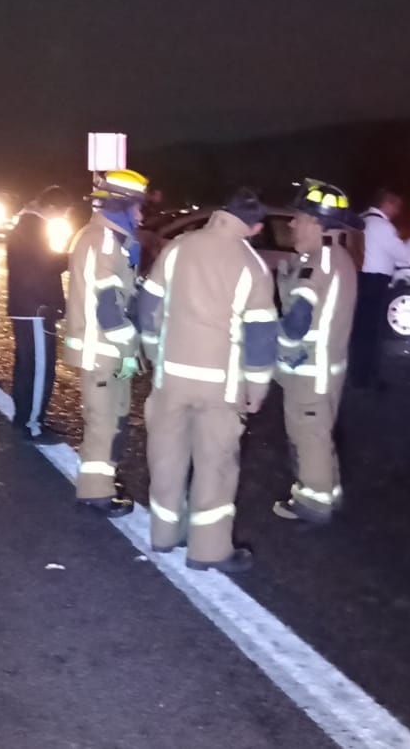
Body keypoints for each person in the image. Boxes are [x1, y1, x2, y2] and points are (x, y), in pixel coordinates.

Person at [138, 188, 278, 572]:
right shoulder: (252, 267)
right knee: (215, 466)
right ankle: (209, 549)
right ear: (255, 227)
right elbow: (261, 335)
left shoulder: (179, 247)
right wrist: (258, 387)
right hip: (221, 385)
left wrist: (155, 355)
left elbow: (149, 305)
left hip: (173, 379)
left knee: (166, 457)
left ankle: (164, 536)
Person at [271, 180, 362, 524]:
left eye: (299, 217)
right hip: (326, 367)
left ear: (316, 222)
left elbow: (297, 320)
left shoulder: (320, 261)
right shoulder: (335, 257)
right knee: (319, 432)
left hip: (310, 369)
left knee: (308, 433)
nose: (293, 224)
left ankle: (313, 502)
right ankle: (329, 490)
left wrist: (278, 352)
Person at [62, 170, 148, 517]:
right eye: (139, 206)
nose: (143, 214)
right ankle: (96, 493)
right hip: (103, 351)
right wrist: (130, 348)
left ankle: (102, 485)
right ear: (124, 205)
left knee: (113, 419)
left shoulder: (109, 238)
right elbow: (108, 307)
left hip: (106, 350)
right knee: (103, 423)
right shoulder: (102, 241)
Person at [7, 185, 72, 444]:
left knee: (26, 367)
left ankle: (23, 417)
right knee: (39, 370)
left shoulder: (26, 224)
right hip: (35, 309)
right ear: (53, 207)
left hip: (25, 308)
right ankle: (33, 425)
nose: (64, 217)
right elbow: (48, 264)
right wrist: (71, 256)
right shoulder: (34, 227)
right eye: (64, 212)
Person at [350, 188, 410, 390]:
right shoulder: (382, 226)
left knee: (359, 330)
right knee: (372, 333)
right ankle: (367, 377)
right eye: (396, 206)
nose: (397, 211)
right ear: (387, 203)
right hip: (375, 282)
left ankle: (356, 374)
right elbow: (403, 254)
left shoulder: (360, 220)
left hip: (358, 278)